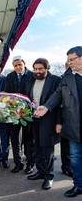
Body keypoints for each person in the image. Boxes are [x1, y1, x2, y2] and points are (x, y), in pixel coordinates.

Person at [35, 46, 82, 197]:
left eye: (72, 59)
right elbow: (57, 95)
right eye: (68, 60)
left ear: (81, 58)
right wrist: (47, 107)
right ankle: (78, 185)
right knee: (75, 157)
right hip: (74, 124)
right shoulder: (66, 78)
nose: (69, 63)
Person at [24, 58, 61, 190]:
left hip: (49, 119)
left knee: (47, 149)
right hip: (33, 119)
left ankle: (48, 176)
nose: (37, 71)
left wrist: (59, 122)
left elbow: (59, 103)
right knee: (37, 146)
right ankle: (40, 172)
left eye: (40, 69)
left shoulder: (56, 80)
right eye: (35, 69)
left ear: (47, 68)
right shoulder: (30, 80)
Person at [4, 55, 34, 173]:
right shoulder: (10, 77)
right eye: (15, 65)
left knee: (28, 139)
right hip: (14, 113)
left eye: (20, 65)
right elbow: (7, 93)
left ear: (24, 63)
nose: (18, 67)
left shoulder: (31, 75)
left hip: (27, 113)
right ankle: (18, 163)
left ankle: (30, 163)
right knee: (15, 139)